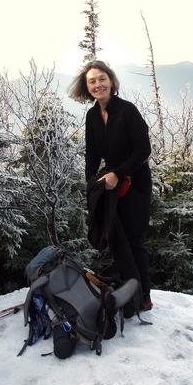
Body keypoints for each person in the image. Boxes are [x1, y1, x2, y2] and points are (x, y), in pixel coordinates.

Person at [69, 60, 153, 310]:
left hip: (135, 182)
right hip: (110, 185)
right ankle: (125, 292)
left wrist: (118, 172)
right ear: (86, 87)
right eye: (92, 81)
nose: (98, 84)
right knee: (116, 240)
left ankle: (144, 297)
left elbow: (143, 150)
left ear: (112, 81)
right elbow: (92, 154)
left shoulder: (127, 110)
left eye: (102, 79)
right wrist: (90, 185)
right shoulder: (92, 115)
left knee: (134, 241)